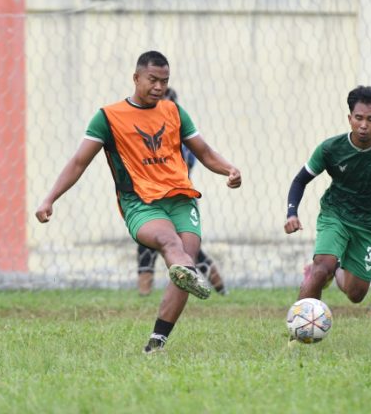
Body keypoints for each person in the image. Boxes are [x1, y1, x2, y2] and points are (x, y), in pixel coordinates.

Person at [35, 51, 241, 353]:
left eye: (164, 81)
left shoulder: (174, 112)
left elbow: (206, 152)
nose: (159, 87)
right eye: (153, 80)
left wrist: (230, 169)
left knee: (185, 259)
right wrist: (50, 198)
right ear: (136, 78)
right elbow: (79, 162)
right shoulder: (108, 117)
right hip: (141, 203)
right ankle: (191, 275)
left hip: (181, 198)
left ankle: (157, 341)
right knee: (172, 245)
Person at [284, 86, 371, 326]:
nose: (364, 125)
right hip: (336, 214)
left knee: (356, 294)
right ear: (349, 118)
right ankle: (299, 329)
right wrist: (291, 212)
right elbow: (300, 180)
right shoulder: (331, 148)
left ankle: (337, 268)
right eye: (358, 118)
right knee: (320, 268)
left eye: (370, 119)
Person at [137, 87, 227, 297]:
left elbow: (195, 158)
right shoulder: (144, 132)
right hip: (150, 200)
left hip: (178, 201)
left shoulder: (182, 133)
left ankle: (221, 291)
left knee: (189, 251)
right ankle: (143, 298)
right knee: (145, 246)